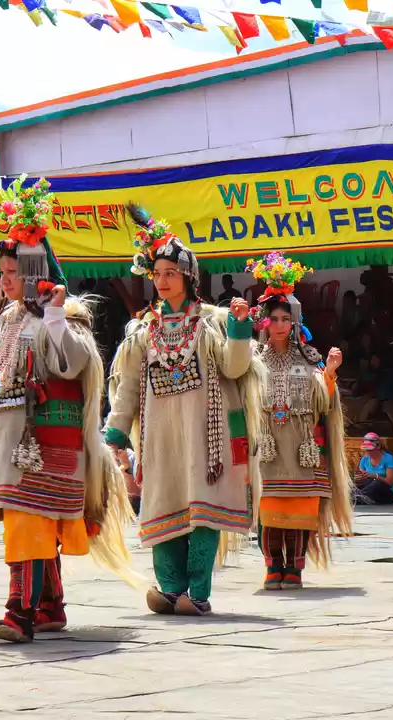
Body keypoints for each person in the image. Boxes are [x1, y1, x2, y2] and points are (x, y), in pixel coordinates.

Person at [0, 176, 134, 643]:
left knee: (30, 525)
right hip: (11, 445)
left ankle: (20, 614)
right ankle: (50, 606)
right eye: (4, 273)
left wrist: (54, 314)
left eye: (13, 272)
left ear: (35, 272)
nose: (6, 280)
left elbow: (73, 364)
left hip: (46, 445)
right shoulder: (6, 323)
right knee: (29, 523)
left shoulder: (62, 320)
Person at [105, 204, 261, 617]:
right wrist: (117, 430)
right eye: (156, 274)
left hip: (206, 437)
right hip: (160, 436)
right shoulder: (144, 331)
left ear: (189, 278)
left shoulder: (213, 322)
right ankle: (171, 590)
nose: (161, 281)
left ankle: (199, 593)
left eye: (170, 274)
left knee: (202, 512)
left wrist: (241, 329)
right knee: (163, 506)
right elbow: (129, 386)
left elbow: (234, 367)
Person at [248, 252, 353, 591]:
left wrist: (331, 374)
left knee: (299, 512)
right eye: (273, 318)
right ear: (264, 322)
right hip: (268, 448)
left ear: (293, 323)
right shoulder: (253, 361)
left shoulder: (310, 360)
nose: (278, 324)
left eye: (284, 319)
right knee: (268, 510)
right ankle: (271, 567)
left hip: (302, 446)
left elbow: (324, 401)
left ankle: (294, 568)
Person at [354, 432, 393, 505]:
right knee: (364, 482)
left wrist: (376, 476)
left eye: (370, 449)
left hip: (386, 493)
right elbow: (362, 479)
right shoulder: (364, 459)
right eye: (366, 449)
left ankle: (359, 498)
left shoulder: (388, 458)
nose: (368, 452)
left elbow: (390, 482)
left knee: (377, 482)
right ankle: (361, 498)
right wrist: (358, 479)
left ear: (378, 446)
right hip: (369, 489)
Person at [105, 432, 139, 515]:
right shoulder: (103, 457)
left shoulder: (132, 457)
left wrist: (125, 466)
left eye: (111, 447)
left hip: (131, 508)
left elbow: (136, 494)